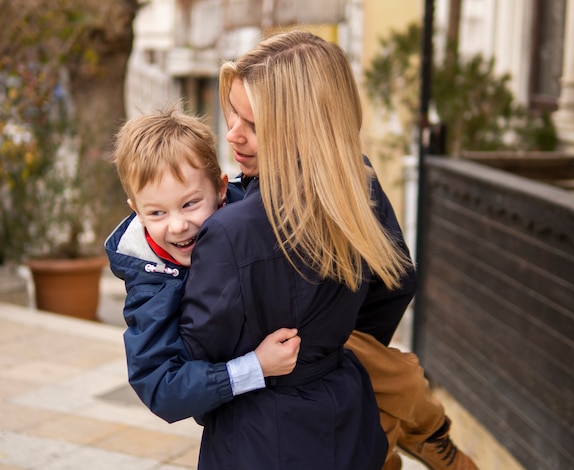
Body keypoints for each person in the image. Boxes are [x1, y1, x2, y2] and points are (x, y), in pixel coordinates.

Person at [178, 31, 478, 470]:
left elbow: (198, 360)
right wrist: (332, 346)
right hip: (346, 418)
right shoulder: (359, 185)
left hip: (257, 439)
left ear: (302, 126)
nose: (233, 136)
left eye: (254, 125)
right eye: (232, 115)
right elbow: (397, 282)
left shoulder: (226, 232)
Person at [105, 108, 301, 423]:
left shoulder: (255, 215)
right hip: (240, 415)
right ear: (136, 211)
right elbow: (161, 387)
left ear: (221, 188)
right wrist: (254, 367)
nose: (179, 225)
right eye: (157, 213)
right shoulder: (151, 286)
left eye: (190, 203)